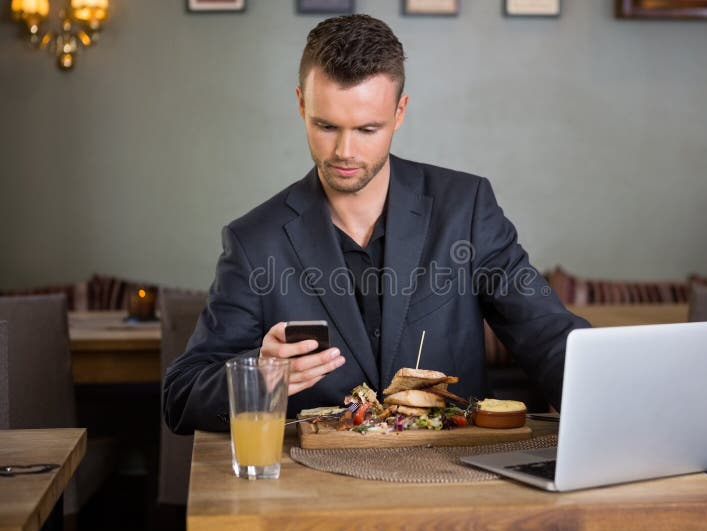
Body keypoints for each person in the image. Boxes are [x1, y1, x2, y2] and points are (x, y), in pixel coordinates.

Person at [163, 14, 589, 434]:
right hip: (313, 492)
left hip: (456, 481)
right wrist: (260, 375)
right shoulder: (254, 240)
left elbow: (546, 335)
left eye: (368, 129)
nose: (344, 151)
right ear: (300, 104)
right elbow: (181, 397)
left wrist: (612, 397)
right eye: (326, 126)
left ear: (400, 111)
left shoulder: (467, 208)